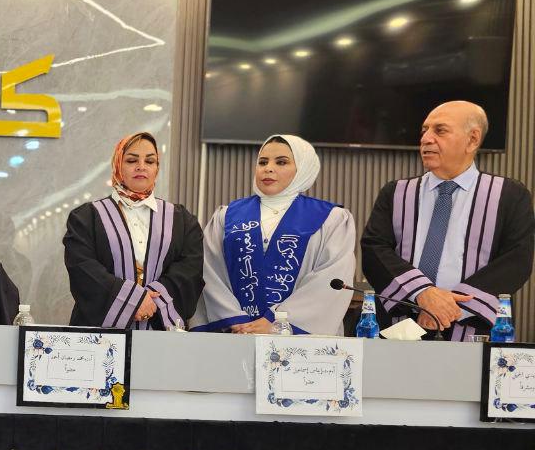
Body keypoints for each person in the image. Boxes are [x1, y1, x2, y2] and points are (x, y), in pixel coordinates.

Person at [362, 101, 534, 340]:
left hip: (474, 327)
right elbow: (374, 249)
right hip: (401, 325)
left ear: (472, 140)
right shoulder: (397, 192)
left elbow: (516, 260)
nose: (426, 139)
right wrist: (423, 294)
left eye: (440, 130)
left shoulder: (508, 195)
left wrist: (448, 308)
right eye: (424, 131)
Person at [192, 135, 355, 335]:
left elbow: (331, 277)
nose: (268, 168)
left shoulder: (331, 219)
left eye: (281, 162)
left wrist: (277, 322)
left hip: (296, 339)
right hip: (235, 334)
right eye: (263, 162)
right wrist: (236, 320)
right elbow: (209, 271)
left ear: (303, 168)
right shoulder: (227, 216)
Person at [63, 131, 204, 329]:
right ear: (117, 165)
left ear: (157, 168)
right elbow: (83, 269)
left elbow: (190, 269)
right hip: (101, 333)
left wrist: (154, 300)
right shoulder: (86, 218)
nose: (141, 167)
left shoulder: (182, 220)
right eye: (131, 160)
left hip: (159, 331)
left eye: (150, 161)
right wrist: (132, 300)